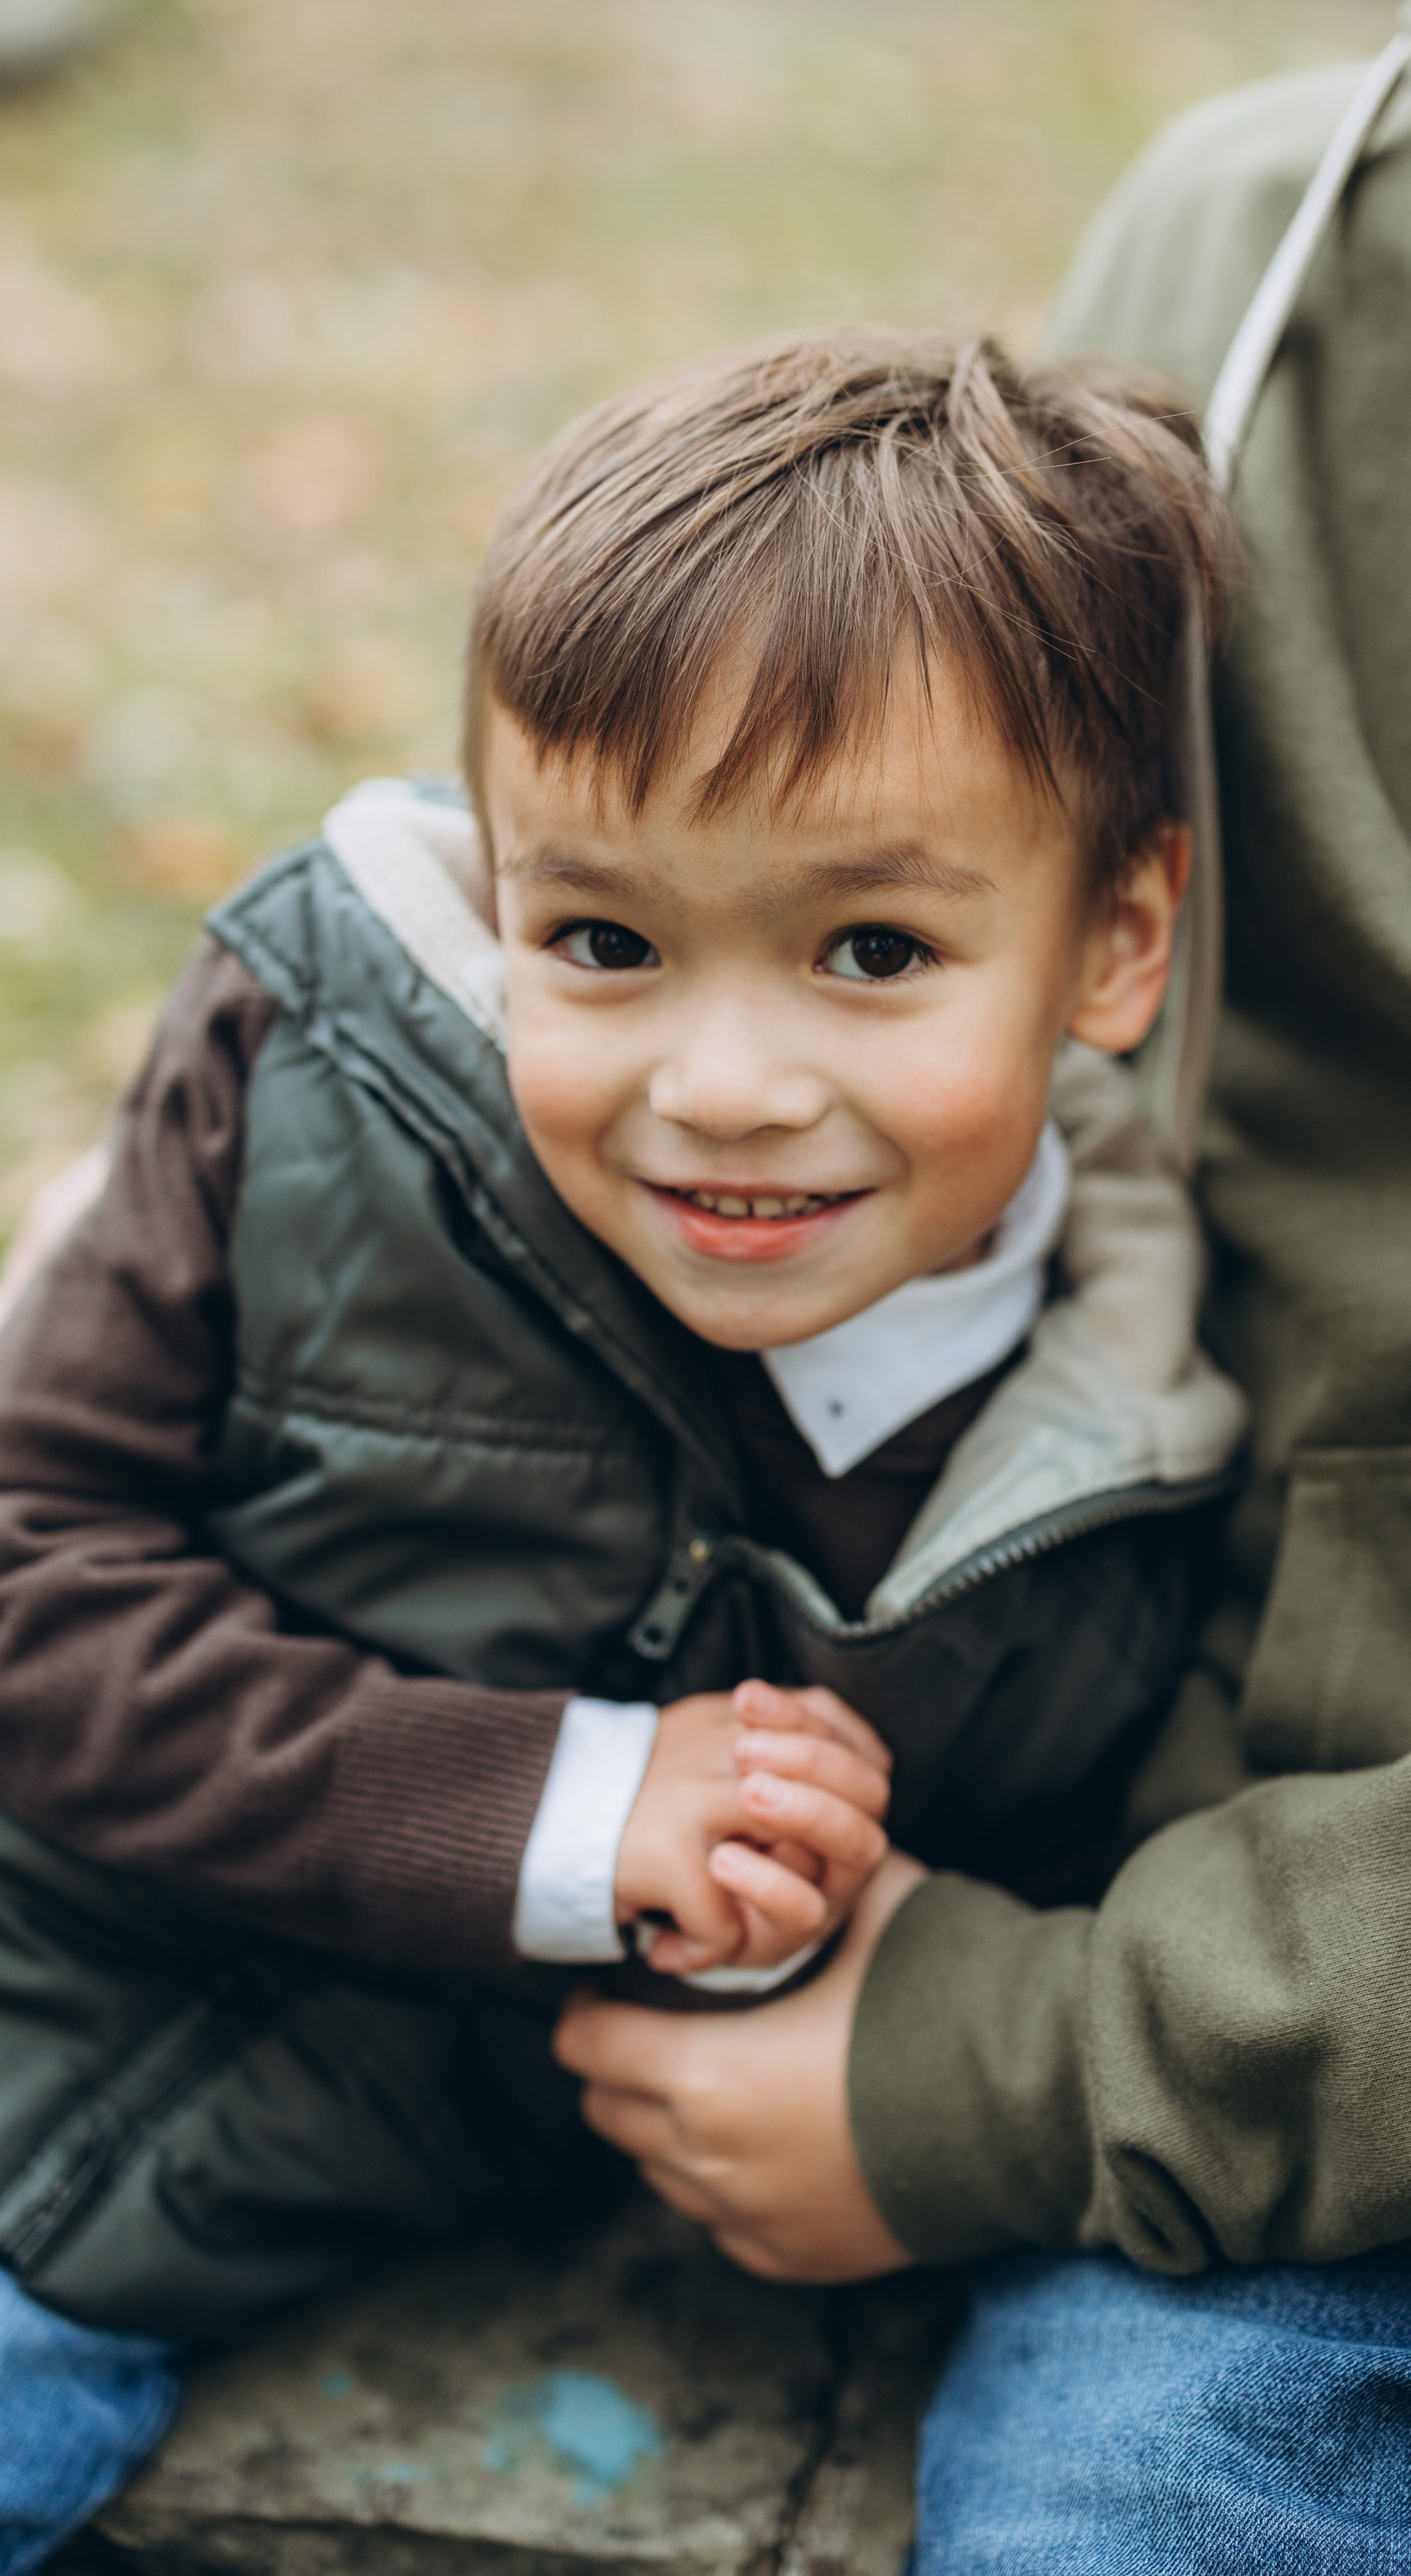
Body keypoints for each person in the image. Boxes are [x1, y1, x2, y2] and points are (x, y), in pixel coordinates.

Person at [548, 0, 1411, 2571]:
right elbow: (846, 983)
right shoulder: (1229, 264)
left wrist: (1038, 2059)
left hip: (1267, 2059)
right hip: (1379, 2228)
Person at [0, 330, 1247, 2572]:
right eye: (601, 939)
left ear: (1116, 941)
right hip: (46, 2083)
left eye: (873, 948)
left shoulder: (1133, 1420)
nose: (725, 1084)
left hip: (361, 2172)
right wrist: (573, 1809)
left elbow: (1079, 1846)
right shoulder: (320, 1075)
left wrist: (853, 1971)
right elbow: (29, 1570)